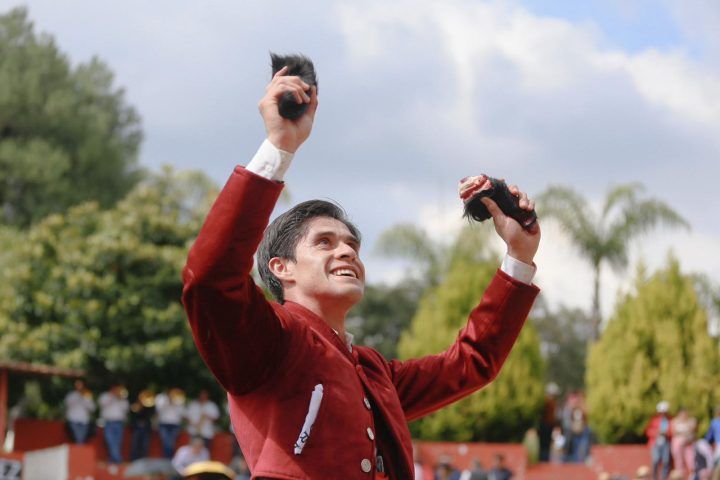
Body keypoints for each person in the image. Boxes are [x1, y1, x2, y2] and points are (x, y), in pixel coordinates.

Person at [182, 65, 540, 479]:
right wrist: (279, 147)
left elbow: (471, 363)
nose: (347, 252)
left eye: (352, 245)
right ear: (281, 268)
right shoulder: (267, 340)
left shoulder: (373, 371)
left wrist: (519, 255)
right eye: (325, 242)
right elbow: (210, 279)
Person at [98, 384, 129, 465]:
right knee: (110, 441)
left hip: (119, 423)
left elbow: (126, 408)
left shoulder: (122, 398)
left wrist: (121, 399)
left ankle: (112, 460)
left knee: (118, 442)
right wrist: (112, 396)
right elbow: (103, 403)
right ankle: (118, 459)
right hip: (108, 423)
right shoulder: (105, 396)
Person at [156, 388, 187, 458]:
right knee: (166, 442)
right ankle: (168, 459)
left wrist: (175, 403)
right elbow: (158, 410)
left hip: (175, 424)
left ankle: (168, 459)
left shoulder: (179, 399)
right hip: (164, 423)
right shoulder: (161, 398)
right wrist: (167, 401)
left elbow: (182, 413)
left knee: (171, 443)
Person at [646, 401, 673, 480]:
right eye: (661, 412)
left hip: (666, 442)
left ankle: (664, 477)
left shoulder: (670, 420)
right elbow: (648, 431)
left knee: (666, 460)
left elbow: (672, 431)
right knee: (656, 460)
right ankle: (655, 477)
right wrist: (656, 432)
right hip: (655, 442)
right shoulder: (654, 420)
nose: (663, 414)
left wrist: (666, 433)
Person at [64, 379, 95, 444]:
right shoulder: (71, 395)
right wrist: (79, 396)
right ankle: (79, 449)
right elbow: (68, 404)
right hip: (73, 420)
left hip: (84, 420)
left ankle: (79, 448)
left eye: (80, 384)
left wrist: (85, 398)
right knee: (79, 438)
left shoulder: (87, 395)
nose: (79, 386)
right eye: (77, 384)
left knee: (81, 438)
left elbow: (92, 408)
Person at [129, 389, 156, 460]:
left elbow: (152, 414)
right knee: (135, 443)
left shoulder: (150, 406)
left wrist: (146, 407)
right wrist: (139, 405)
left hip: (146, 426)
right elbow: (132, 413)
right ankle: (134, 459)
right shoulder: (135, 404)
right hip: (136, 426)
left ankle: (143, 459)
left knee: (145, 444)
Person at [671, 407, 697, 477]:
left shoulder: (691, 421)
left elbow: (692, 431)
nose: (683, 415)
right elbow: (674, 432)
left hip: (688, 444)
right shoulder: (675, 421)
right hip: (678, 444)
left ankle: (692, 476)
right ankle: (680, 476)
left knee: (691, 461)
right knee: (679, 461)